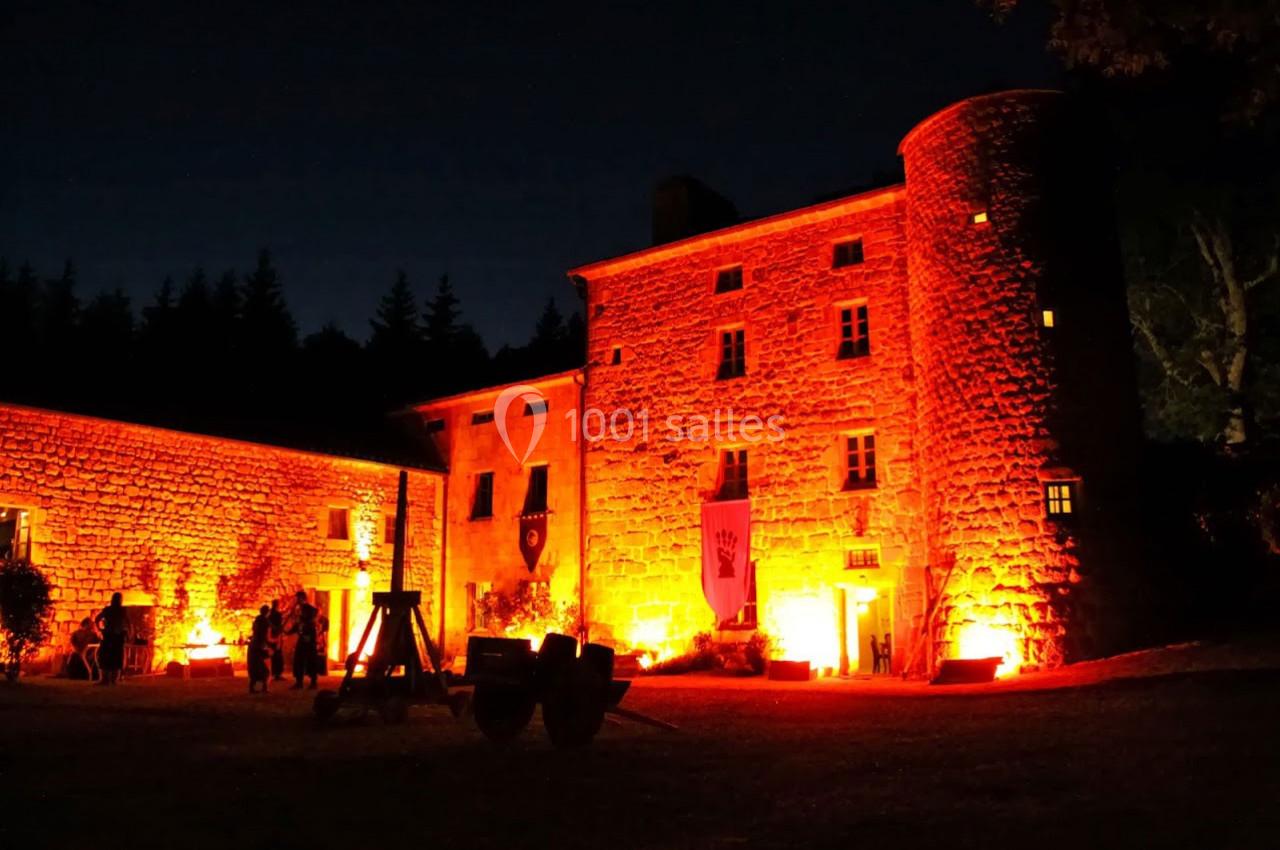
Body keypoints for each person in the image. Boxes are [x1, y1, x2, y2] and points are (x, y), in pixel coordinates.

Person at [94, 592, 128, 685]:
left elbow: (97, 619)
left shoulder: (108, 610)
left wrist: (100, 629)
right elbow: (128, 622)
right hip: (116, 636)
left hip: (109, 635)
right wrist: (128, 632)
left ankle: (105, 679)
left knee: (106, 657)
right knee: (116, 657)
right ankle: (113, 680)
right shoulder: (122, 611)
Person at [287, 590, 319, 690]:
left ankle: (313, 682)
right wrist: (289, 631)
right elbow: (298, 624)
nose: (296, 600)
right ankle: (299, 682)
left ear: (302, 598)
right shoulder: (299, 609)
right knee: (299, 659)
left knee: (311, 660)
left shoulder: (308, 609)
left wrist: (307, 631)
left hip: (309, 638)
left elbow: (311, 618)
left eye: (297, 598)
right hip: (302, 637)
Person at [268, 599, 285, 682]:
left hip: (271, 637)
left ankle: (275, 673)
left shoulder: (270, 614)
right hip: (276, 636)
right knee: (277, 655)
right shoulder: (276, 614)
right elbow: (279, 626)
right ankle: (277, 673)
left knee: (274, 655)